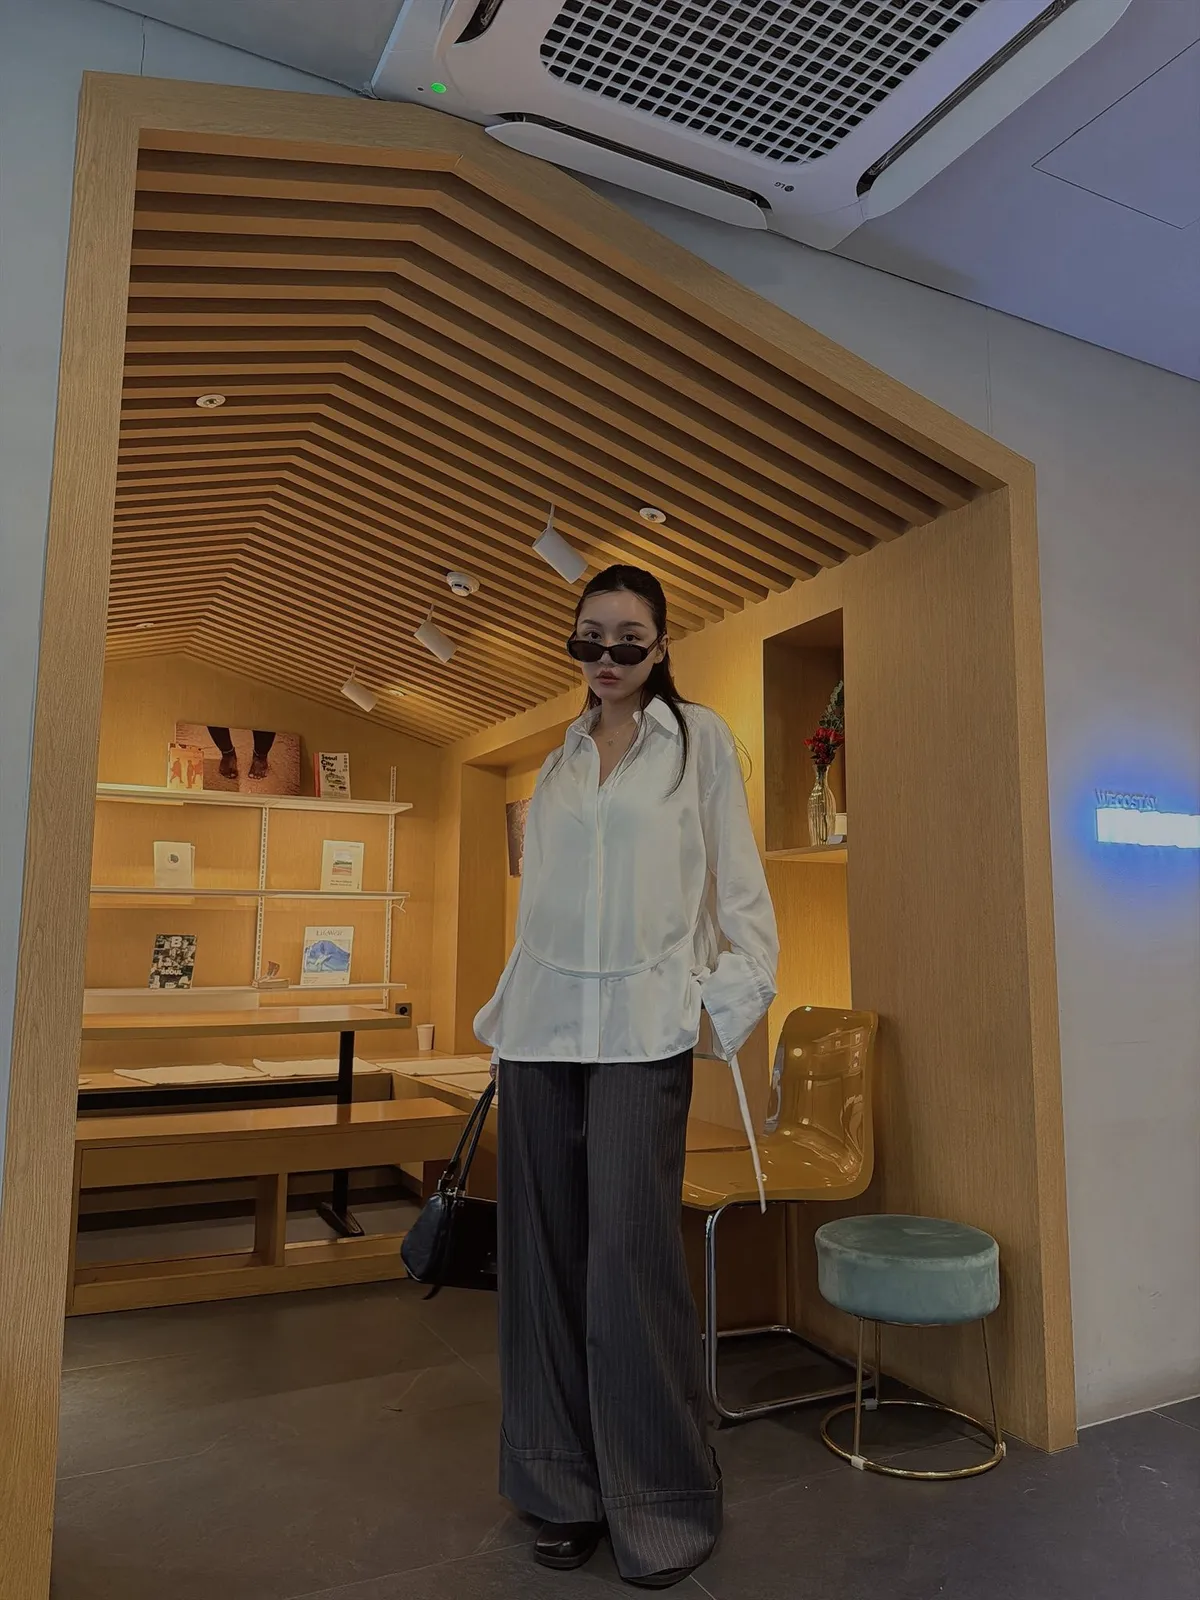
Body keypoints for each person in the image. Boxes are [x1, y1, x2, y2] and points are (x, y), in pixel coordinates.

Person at [475, 565, 779, 1589]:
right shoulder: (559, 760)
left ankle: (658, 1498)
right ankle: (558, 1487)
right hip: (541, 1037)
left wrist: (712, 1005)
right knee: (541, 1267)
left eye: (628, 641)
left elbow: (743, 899)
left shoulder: (700, 744)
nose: (606, 659)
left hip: (644, 1037)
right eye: (589, 639)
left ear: (661, 645)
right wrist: (506, 1016)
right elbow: (544, 911)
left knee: (631, 1266)